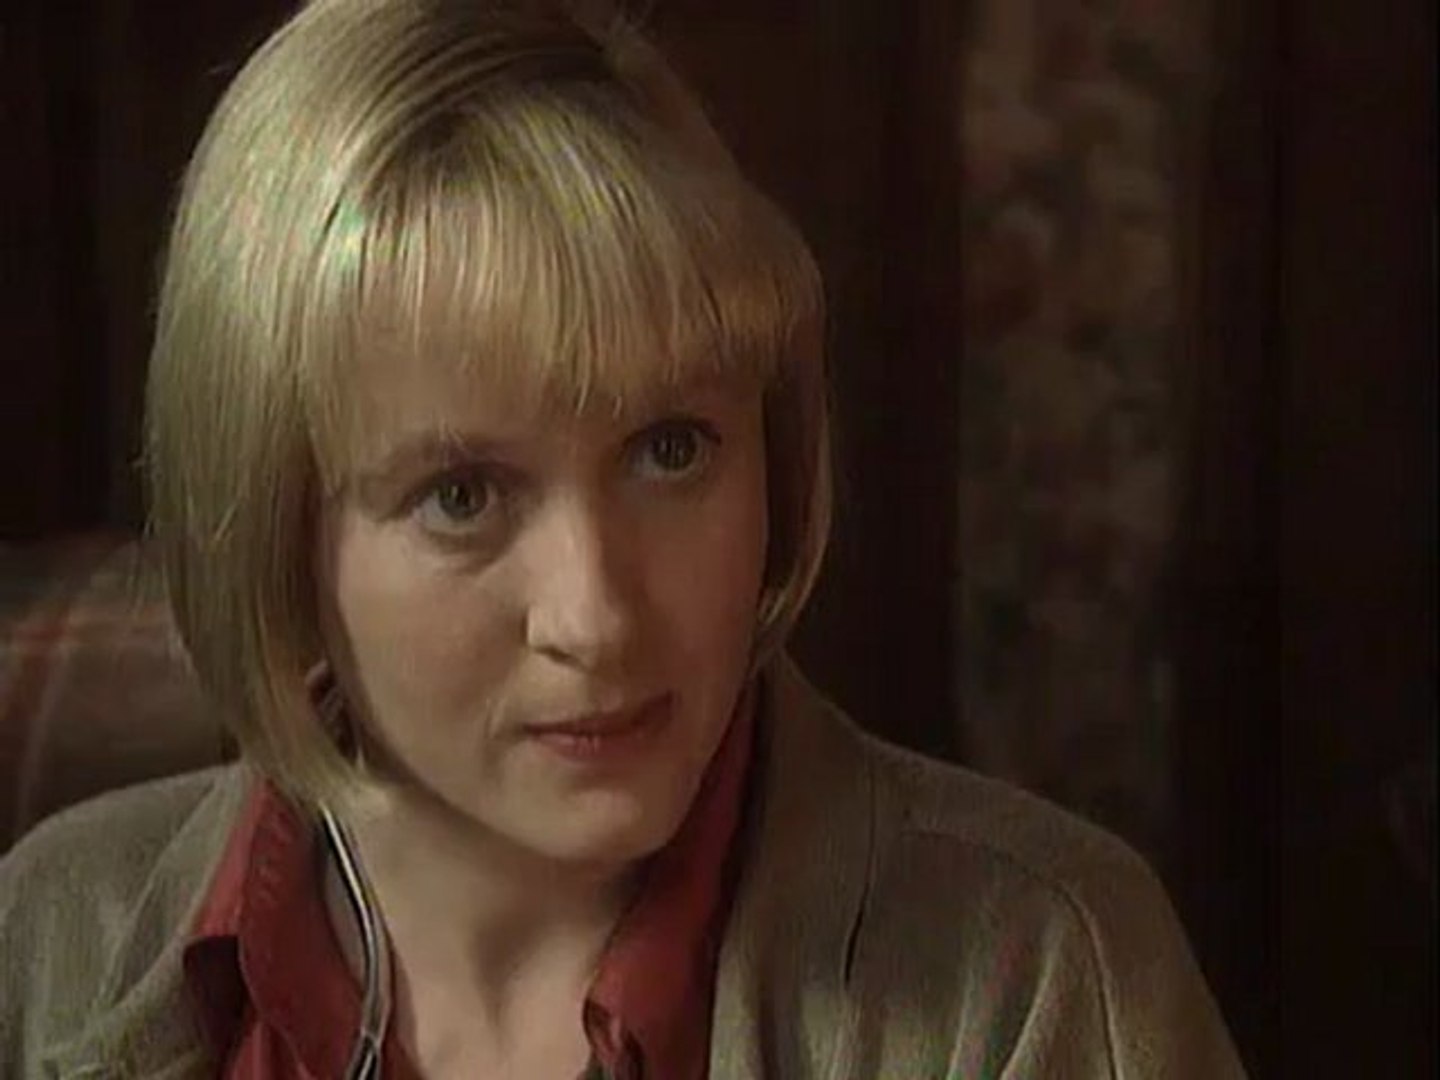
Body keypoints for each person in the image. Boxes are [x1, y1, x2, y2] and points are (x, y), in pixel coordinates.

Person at [0, 1, 1246, 1076]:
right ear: (281, 540)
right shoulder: (45, 934)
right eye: (462, 496)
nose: (594, 616)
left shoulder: (1036, 977)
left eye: (671, 450)